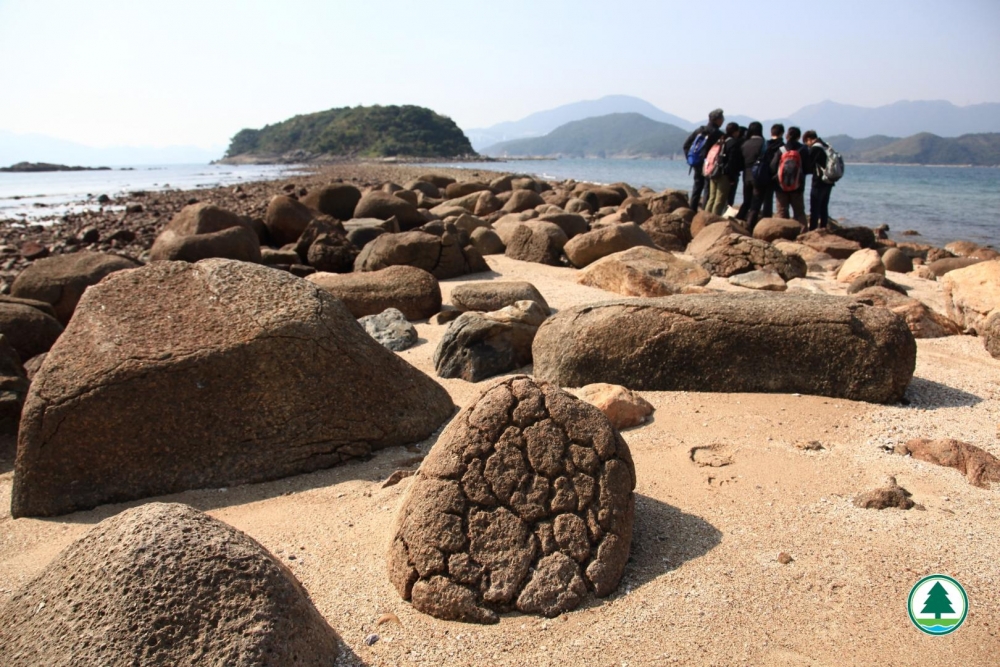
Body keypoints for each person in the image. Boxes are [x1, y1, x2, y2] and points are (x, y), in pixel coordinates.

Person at [682, 109, 725, 212]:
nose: (723, 120)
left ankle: (692, 211)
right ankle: (705, 213)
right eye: (722, 118)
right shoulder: (718, 134)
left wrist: (691, 159)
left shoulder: (699, 130)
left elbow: (686, 145)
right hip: (710, 165)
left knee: (697, 188)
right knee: (708, 189)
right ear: (717, 120)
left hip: (697, 163)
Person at [746, 123, 784, 229]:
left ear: (771, 132)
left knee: (757, 201)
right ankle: (766, 224)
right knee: (768, 200)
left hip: (761, 175)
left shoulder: (765, 144)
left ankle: (750, 225)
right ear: (782, 133)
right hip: (773, 177)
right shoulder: (782, 146)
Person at [769, 125, 809, 227]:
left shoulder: (782, 149)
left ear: (787, 136)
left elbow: (773, 166)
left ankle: (783, 234)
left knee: (782, 211)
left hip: (781, 186)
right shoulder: (803, 149)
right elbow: (808, 168)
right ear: (799, 137)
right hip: (797, 186)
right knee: (799, 212)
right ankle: (802, 233)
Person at [705, 122, 742, 216]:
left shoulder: (720, 140)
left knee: (712, 198)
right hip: (723, 173)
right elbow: (732, 161)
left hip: (713, 171)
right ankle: (713, 219)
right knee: (720, 199)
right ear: (735, 132)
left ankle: (705, 217)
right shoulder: (733, 143)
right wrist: (732, 177)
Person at [803, 130, 833, 230]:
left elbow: (809, 166)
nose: (807, 145)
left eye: (806, 143)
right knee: (824, 207)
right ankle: (823, 227)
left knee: (814, 208)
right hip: (829, 180)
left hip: (819, 182)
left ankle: (812, 229)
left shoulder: (815, 149)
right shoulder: (825, 146)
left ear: (808, 139)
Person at [736, 122, 764, 222]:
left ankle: (738, 219)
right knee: (756, 202)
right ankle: (750, 224)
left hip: (746, 175)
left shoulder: (745, 144)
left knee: (746, 200)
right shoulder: (763, 143)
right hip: (758, 175)